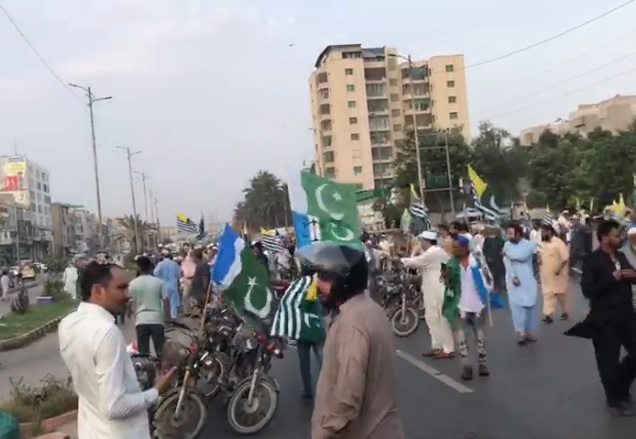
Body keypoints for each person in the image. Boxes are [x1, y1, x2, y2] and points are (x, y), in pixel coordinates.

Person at [296, 243, 405, 439]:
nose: (318, 284)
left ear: (344, 281)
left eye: (325, 278)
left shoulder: (351, 324)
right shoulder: (370, 309)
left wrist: (323, 432)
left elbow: (346, 398)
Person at [58, 261, 178, 437]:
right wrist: (156, 390)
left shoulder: (67, 324)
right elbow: (115, 406)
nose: (128, 295)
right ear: (97, 291)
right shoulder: (106, 333)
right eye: (121, 288)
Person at [567, 219, 636, 416]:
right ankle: (615, 399)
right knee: (608, 362)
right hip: (604, 318)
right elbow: (588, 290)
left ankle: (621, 386)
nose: (620, 238)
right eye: (616, 235)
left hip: (627, 315)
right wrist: (611, 278)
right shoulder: (593, 260)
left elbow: (630, 274)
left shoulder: (621, 255)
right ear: (605, 238)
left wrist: (632, 275)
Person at [442, 236, 504, 381]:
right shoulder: (451, 263)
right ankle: (466, 367)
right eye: (454, 247)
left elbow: (488, 280)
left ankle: (482, 364)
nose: (455, 249)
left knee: (480, 338)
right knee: (462, 339)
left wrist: (487, 286)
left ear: (465, 247)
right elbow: (446, 282)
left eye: (458, 247)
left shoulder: (477, 261)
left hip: (477, 306)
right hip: (460, 306)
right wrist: (446, 276)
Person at [401, 230, 454, 358]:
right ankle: (437, 346)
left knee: (442, 319)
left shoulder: (434, 253)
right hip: (431, 289)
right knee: (431, 318)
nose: (420, 243)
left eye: (422, 241)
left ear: (426, 241)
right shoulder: (431, 253)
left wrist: (401, 259)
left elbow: (415, 262)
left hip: (439, 289)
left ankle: (448, 349)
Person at [503, 221, 539, 344]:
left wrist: (508, 254)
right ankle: (520, 332)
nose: (509, 236)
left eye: (511, 233)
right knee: (516, 306)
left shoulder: (529, 245)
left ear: (519, 234)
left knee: (530, 306)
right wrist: (513, 276)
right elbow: (507, 262)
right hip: (513, 281)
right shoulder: (507, 245)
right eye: (508, 233)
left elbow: (522, 256)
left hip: (527, 279)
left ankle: (529, 332)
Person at [129, 256, 169, 357]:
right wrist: (167, 318)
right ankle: (162, 370)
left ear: (138, 267)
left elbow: (129, 302)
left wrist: (129, 312)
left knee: (143, 353)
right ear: (150, 267)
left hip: (141, 320)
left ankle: (148, 371)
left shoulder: (133, 284)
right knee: (161, 351)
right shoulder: (158, 282)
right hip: (157, 320)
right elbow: (166, 301)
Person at [538, 222, 570, 323]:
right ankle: (549, 315)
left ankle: (565, 312)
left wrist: (559, 269)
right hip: (546, 275)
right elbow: (539, 254)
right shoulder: (542, 243)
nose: (543, 233)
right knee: (547, 294)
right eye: (542, 231)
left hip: (558, 275)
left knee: (560, 294)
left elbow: (565, 258)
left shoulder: (558, 243)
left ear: (550, 232)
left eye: (545, 231)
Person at [154, 250, 181, 320]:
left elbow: (155, 273)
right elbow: (179, 275)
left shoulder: (160, 264)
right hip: (173, 285)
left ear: (163, 256)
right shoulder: (174, 264)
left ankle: (165, 317)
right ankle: (173, 317)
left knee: (163, 302)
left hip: (163, 286)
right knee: (173, 303)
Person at [190, 248, 210, 313]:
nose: (192, 259)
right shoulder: (199, 265)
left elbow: (205, 278)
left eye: (193, 257)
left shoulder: (202, 265)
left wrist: (204, 291)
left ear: (196, 257)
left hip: (201, 292)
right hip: (198, 291)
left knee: (203, 306)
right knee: (200, 306)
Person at [180, 250, 197, 315]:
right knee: (189, 296)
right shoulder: (184, 261)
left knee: (187, 296)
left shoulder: (189, 260)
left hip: (191, 279)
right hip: (187, 280)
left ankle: (189, 311)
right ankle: (189, 311)